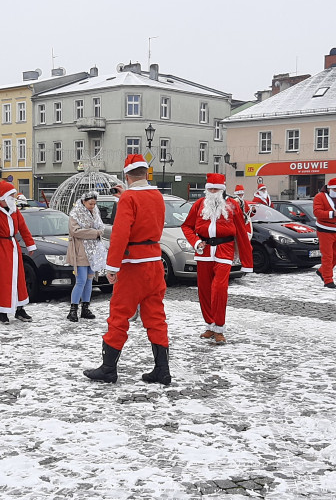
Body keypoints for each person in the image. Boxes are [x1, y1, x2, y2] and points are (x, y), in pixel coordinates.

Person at [83, 154, 170, 385]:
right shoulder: (157, 196)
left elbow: (121, 234)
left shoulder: (128, 199)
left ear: (127, 175)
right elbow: (150, 219)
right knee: (155, 316)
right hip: (154, 262)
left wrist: (111, 266)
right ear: (146, 173)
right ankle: (162, 369)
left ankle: (108, 369)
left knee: (119, 315)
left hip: (133, 266)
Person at [182, 173, 254, 344]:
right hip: (204, 251)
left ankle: (219, 328)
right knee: (204, 291)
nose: (213, 191)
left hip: (224, 250)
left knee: (219, 289)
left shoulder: (232, 205)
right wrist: (196, 242)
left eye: (216, 189)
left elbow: (241, 233)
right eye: (210, 189)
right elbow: (186, 226)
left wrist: (246, 261)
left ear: (222, 189)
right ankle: (210, 325)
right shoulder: (200, 204)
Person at [0, 180, 36, 323]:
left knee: (19, 279)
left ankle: (20, 309)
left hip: (13, 247)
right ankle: (3, 311)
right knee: (2, 280)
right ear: (4, 197)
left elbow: (23, 227)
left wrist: (30, 244)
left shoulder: (14, 210)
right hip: (0, 247)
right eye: (11, 196)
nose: (14, 199)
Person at [67, 191, 107, 322]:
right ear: (84, 202)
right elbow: (75, 231)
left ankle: (85, 307)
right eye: (90, 203)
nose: (92, 206)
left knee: (90, 280)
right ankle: (73, 309)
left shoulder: (95, 212)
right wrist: (94, 233)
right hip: (81, 250)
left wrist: (97, 232)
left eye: (94, 204)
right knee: (81, 280)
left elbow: (101, 226)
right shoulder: (75, 213)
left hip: (93, 250)